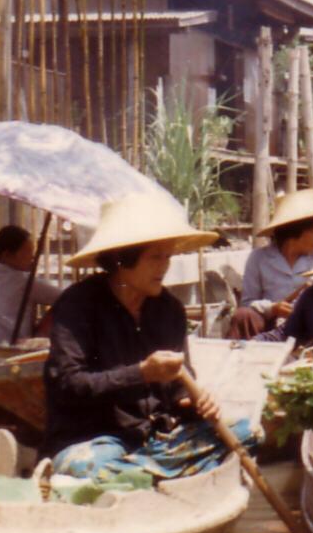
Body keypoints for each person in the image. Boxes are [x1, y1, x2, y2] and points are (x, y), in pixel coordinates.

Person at [43, 193, 255, 480]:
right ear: (121, 259)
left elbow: (179, 387)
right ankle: (155, 475)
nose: (164, 266)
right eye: (155, 257)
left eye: (167, 256)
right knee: (81, 467)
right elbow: (67, 387)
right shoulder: (77, 306)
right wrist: (141, 373)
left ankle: (137, 476)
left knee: (248, 431)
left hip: (156, 439)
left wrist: (197, 400)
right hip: (97, 441)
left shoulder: (169, 310)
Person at [229, 189, 313, 338]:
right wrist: (272, 309)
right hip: (268, 325)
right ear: (297, 232)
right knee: (243, 315)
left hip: (307, 326)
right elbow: (247, 303)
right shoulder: (259, 258)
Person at [0, 224, 63, 343]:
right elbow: (67, 297)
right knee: (62, 305)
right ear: (7, 255)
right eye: (28, 253)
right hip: (8, 345)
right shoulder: (24, 281)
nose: (32, 258)